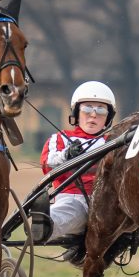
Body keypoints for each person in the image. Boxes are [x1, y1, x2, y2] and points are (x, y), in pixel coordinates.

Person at [30, 81, 116, 243]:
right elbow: (47, 164)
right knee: (69, 213)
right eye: (87, 108)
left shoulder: (114, 141)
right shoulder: (60, 138)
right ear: (76, 113)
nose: (93, 114)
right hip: (72, 197)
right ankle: (45, 224)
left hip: (106, 200)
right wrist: (66, 155)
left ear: (108, 117)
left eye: (100, 109)